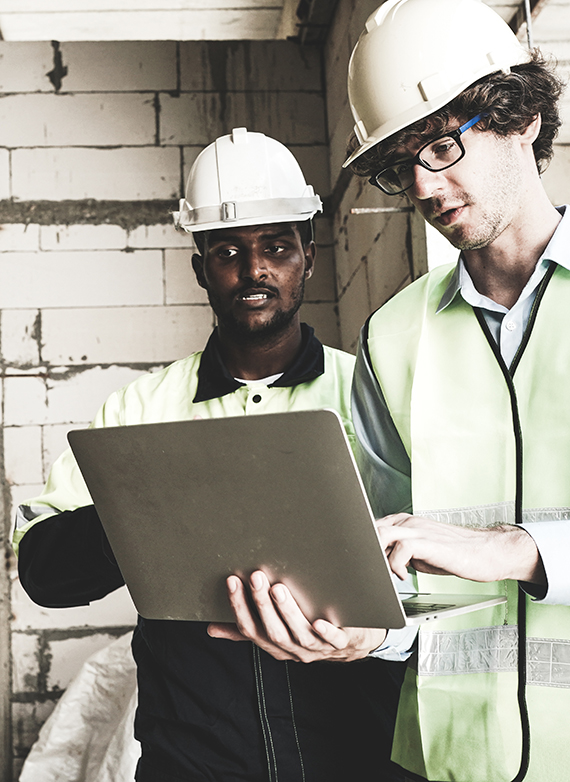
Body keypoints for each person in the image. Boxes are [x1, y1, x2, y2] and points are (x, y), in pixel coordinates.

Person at [212, 2, 570, 781]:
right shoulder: (393, 335)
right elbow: (396, 573)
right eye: (398, 165)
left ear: (524, 117)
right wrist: (361, 632)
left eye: (442, 146)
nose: (423, 185)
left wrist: (521, 549)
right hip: (443, 762)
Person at [13, 128, 406, 782]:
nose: (254, 270)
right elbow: (44, 571)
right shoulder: (139, 411)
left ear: (308, 257)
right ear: (200, 268)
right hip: (194, 762)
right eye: (228, 251)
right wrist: (155, 503)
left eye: (276, 247)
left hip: (356, 754)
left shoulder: (374, 394)